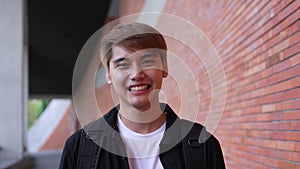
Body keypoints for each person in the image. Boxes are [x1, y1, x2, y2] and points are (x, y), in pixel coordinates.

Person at [59, 22, 226, 169]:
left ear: (164, 67)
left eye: (147, 61)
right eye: (123, 64)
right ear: (108, 74)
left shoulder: (203, 145)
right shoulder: (79, 148)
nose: (137, 74)